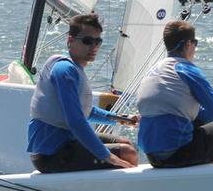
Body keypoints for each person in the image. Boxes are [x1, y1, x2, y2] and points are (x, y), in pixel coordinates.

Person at [28, 13, 139, 173]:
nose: (94, 46)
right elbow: (76, 121)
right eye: (87, 41)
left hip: (67, 142)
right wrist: (108, 156)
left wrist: (121, 119)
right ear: (70, 40)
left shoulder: (75, 69)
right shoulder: (64, 70)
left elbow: (86, 112)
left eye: (98, 41)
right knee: (127, 153)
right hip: (51, 153)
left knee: (126, 144)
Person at [137, 20, 213, 168]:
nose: (195, 47)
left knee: (206, 124)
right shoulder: (185, 69)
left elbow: (193, 112)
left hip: (151, 155)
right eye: (195, 43)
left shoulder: (155, 69)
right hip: (177, 153)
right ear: (188, 44)